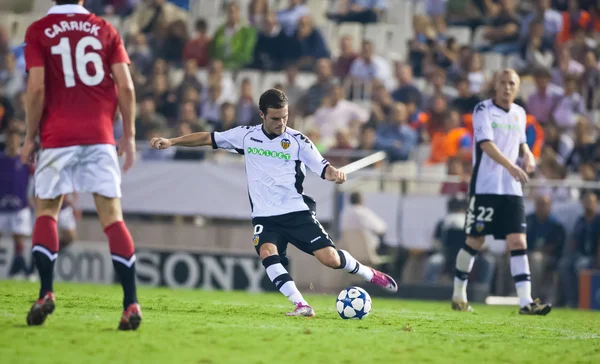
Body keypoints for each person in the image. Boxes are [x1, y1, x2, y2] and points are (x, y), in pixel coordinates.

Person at [150, 88, 398, 317]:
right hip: (264, 215)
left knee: (330, 259)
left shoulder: (298, 140)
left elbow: (323, 167)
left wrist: (335, 174)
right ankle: (301, 304)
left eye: (285, 117)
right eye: (276, 118)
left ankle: (369, 273)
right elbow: (207, 137)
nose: (282, 124)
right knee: (267, 252)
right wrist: (172, 141)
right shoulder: (246, 136)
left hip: (295, 211)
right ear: (262, 115)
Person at [21, 0, 141, 330]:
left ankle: (46, 292)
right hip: (100, 136)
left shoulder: (38, 30)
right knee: (112, 219)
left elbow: (36, 87)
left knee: (46, 210)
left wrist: (30, 137)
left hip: (57, 136)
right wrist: (128, 135)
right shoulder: (105, 29)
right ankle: (130, 303)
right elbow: (127, 86)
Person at [453, 69, 552, 315]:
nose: (507, 87)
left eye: (512, 84)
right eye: (503, 83)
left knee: (518, 240)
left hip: (511, 188)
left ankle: (525, 302)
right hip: (486, 186)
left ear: (517, 88)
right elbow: (486, 144)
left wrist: (527, 154)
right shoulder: (482, 110)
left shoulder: (519, 113)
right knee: (475, 240)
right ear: (495, 85)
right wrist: (511, 166)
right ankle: (459, 294)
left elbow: (521, 142)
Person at [0, 130, 32, 278]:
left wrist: (33, 196)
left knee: (19, 237)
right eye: (10, 139)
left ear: (19, 141)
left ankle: (19, 269)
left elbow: (35, 178)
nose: (12, 143)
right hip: (2, 207)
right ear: (6, 141)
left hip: (20, 206)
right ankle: (20, 269)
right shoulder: (1, 159)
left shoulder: (25, 159)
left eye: (15, 139)